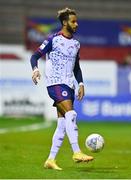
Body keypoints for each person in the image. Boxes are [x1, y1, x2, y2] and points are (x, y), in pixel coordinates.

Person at [30, 7, 93, 171]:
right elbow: (34, 56)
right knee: (71, 114)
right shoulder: (53, 39)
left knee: (62, 124)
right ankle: (77, 152)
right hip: (55, 83)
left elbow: (76, 67)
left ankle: (50, 160)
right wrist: (35, 69)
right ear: (65, 22)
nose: (76, 24)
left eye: (76, 21)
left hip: (69, 85)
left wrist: (81, 84)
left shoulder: (76, 44)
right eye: (73, 21)